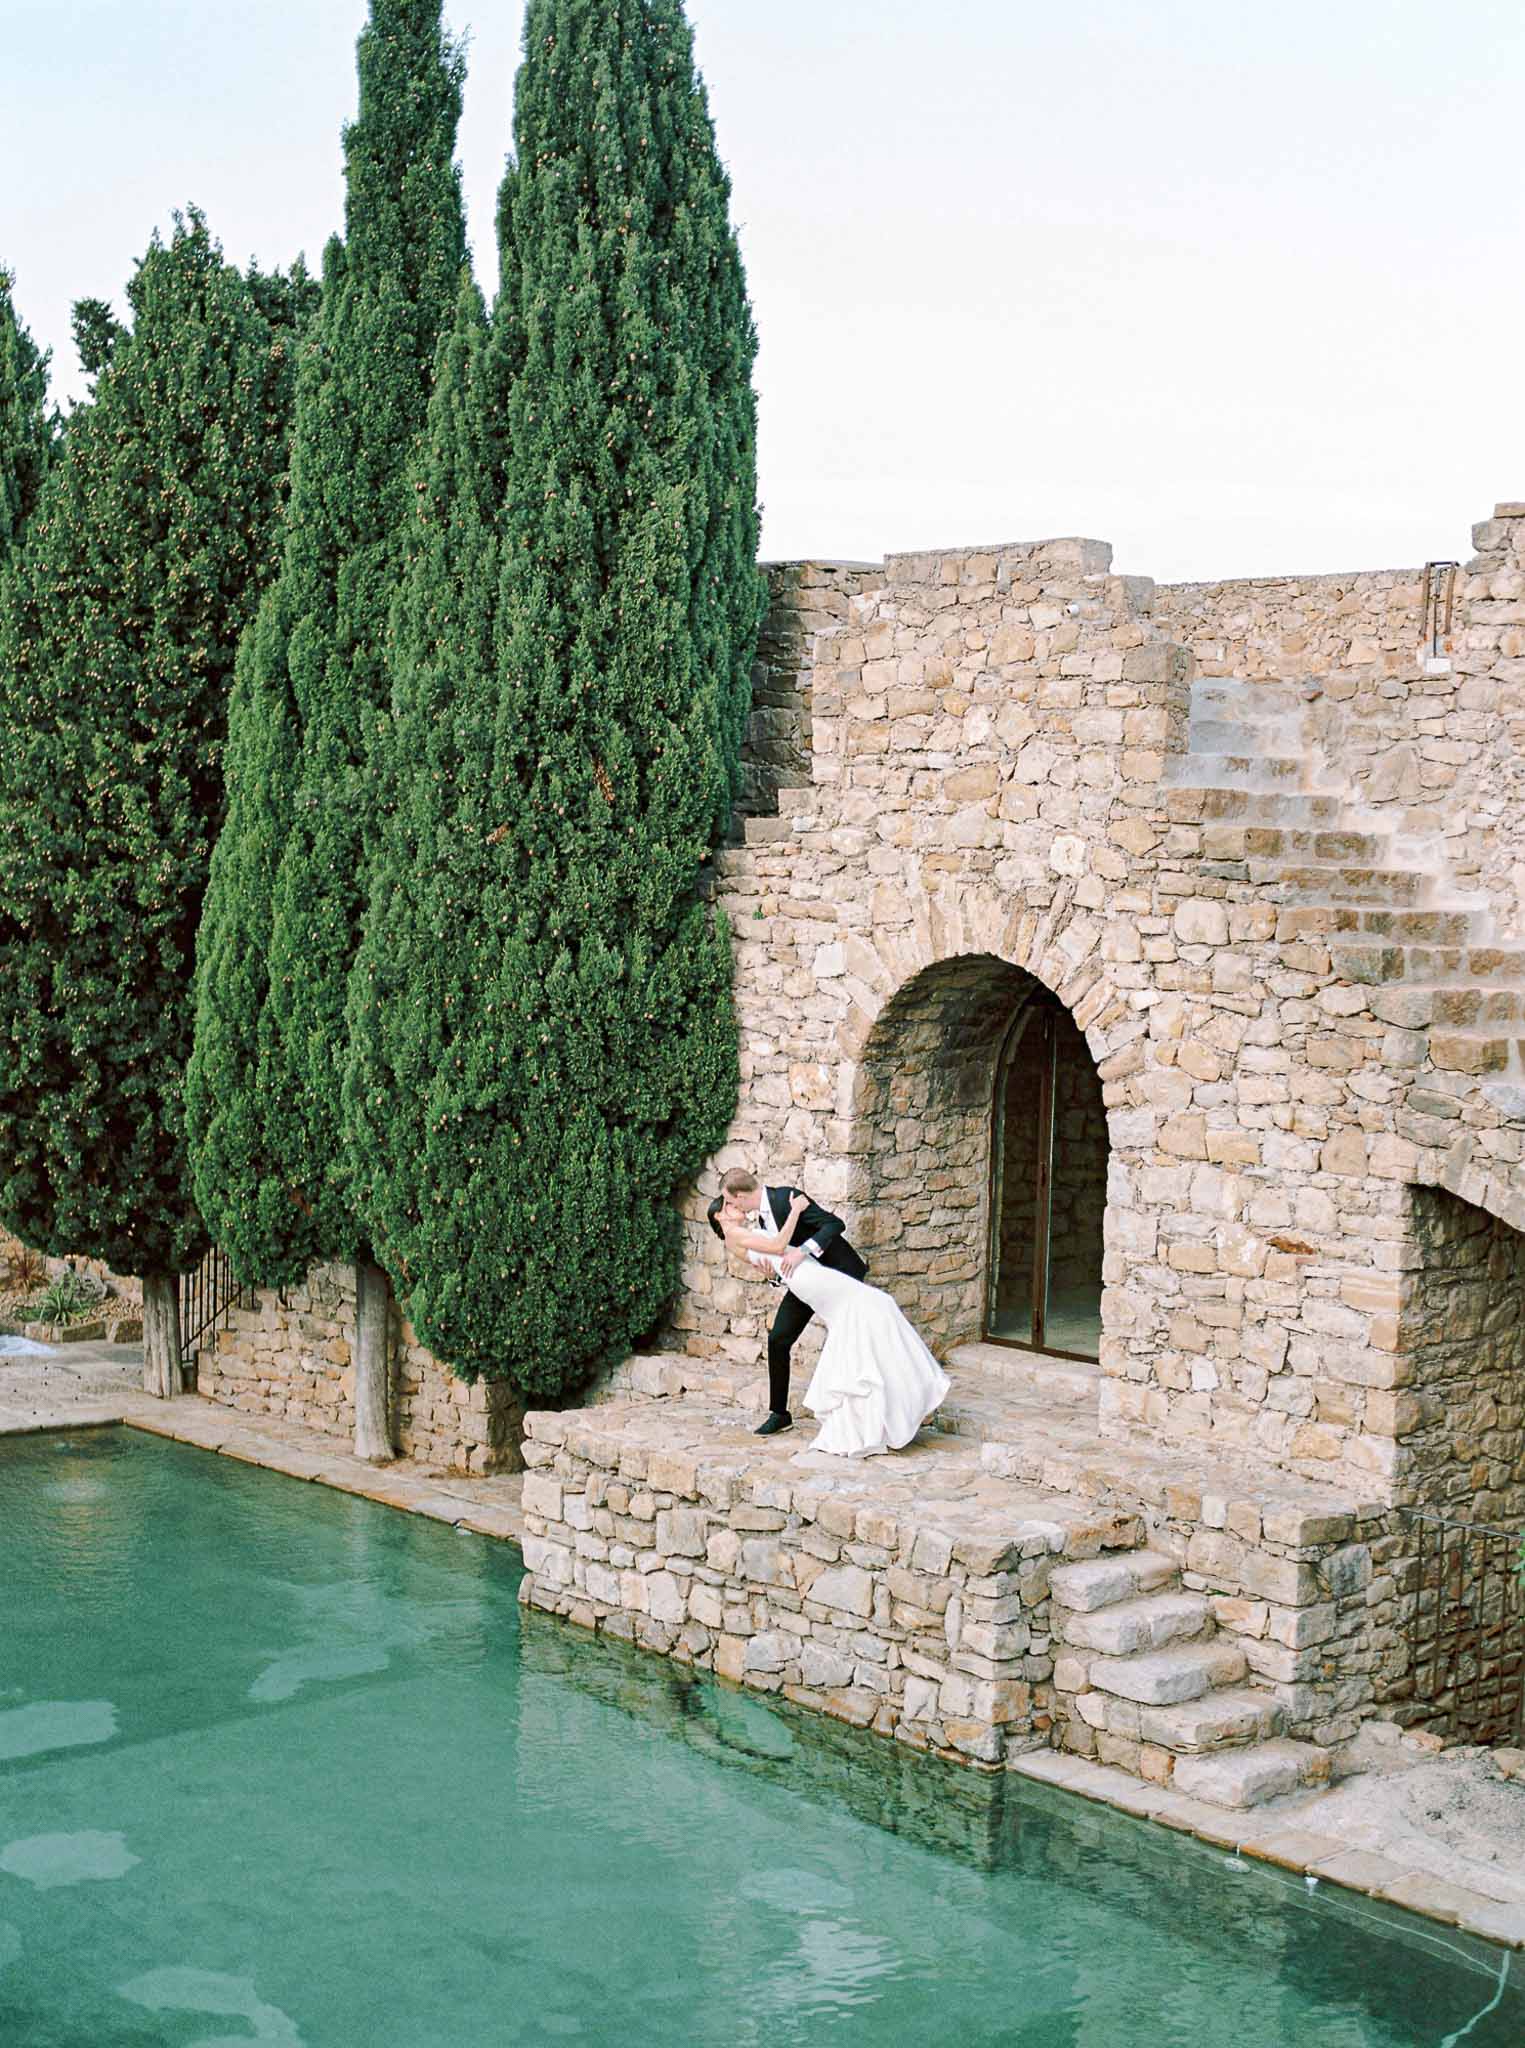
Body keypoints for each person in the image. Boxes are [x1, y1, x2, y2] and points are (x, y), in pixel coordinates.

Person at [707, 1169, 950, 1457]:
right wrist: (773, 1275)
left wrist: (804, 1251)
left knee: (854, 1341)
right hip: (805, 1283)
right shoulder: (755, 1222)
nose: (730, 1207)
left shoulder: (788, 1198)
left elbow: (835, 1224)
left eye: (729, 1201)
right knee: (779, 1339)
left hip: (837, 1274)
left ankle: (880, 1406)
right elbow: (774, 1257)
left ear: (740, 1196)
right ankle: (779, 1413)